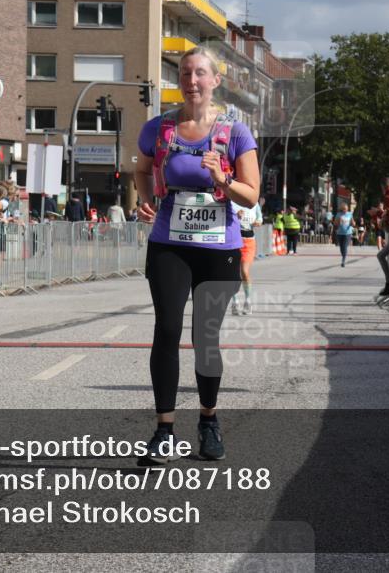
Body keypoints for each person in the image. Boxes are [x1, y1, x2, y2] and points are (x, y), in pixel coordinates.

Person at [134, 47, 260, 465]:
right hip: (169, 242)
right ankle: (164, 429)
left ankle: (208, 421)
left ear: (214, 81)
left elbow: (251, 193)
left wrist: (222, 178)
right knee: (167, 329)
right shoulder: (159, 129)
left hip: (218, 248)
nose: (192, 81)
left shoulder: (235, 133)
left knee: (205, 338)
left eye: (200, 73)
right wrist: (145, 199)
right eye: (186, 73)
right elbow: (139, 169)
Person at [231, 200, 263, 315]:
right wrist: (235, 215)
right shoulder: (231, 200)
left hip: (249, 242)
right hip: (233, 240)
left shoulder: (253, 202)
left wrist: (258, 222)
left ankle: (248, 301)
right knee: (233, 273)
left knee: (244, 271)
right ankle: (235, 302)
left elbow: (260, 218)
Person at [333, 203, 353, 267]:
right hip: (339, 233)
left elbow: (353, 223)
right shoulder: (339, 214)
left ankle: (343, 261)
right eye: (344, 209)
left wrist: (353, 223)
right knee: (341, 248)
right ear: (342, 209)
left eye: (346, 209)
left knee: (344, 246)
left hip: (347, 233)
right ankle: (343, 256)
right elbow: (335, 224)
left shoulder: (350, 214)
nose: (345, 210)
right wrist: (338, 221)